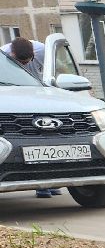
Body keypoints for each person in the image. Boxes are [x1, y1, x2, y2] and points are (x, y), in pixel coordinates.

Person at [2, 36, 61, 198]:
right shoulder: (3, 55)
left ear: (34, 53)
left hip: (41, 98)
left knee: (51, 144)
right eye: (19, 63)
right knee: (33, 146)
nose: (24, 65)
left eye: (27, 62)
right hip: (18, 103)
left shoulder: (43, 51)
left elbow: (58, 69)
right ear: (12, 54)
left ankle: (52, 182)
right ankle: (41, 186)